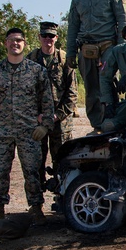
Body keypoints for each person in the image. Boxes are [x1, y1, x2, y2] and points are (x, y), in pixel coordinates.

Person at [0, 27, 55, 224]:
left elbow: (47, 101)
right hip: (2, 132)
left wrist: (45, 126)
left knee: (32, 171)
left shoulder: (36, 71)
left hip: (29, 131)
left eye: (19, 40)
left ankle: (36, 207)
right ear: (5, 43)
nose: (15, 43)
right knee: (0, 172)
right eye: (12, 40)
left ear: (24, 44)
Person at [66, 0, 126, 134]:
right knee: (91, 89)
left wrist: (120, 49)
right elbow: (72, 26)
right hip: (86, 49)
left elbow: (123, 21)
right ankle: (97, 125)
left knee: (108, 85)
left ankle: (113, 123)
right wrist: (70, 53)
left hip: (108, 47)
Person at [27, 21, 77, 186]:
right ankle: (37, 203)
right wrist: (36, 116)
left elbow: (72, 93)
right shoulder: (31, 59)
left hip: (60, 121)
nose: (48, 39)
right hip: (37, 119)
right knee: (35, 162)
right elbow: (25, 91)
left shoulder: (64, 60)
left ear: (56, 38)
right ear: (39, 37)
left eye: (51, 36)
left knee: (63, 161)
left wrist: (58, 115)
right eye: (45, 36)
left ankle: (62, 198)